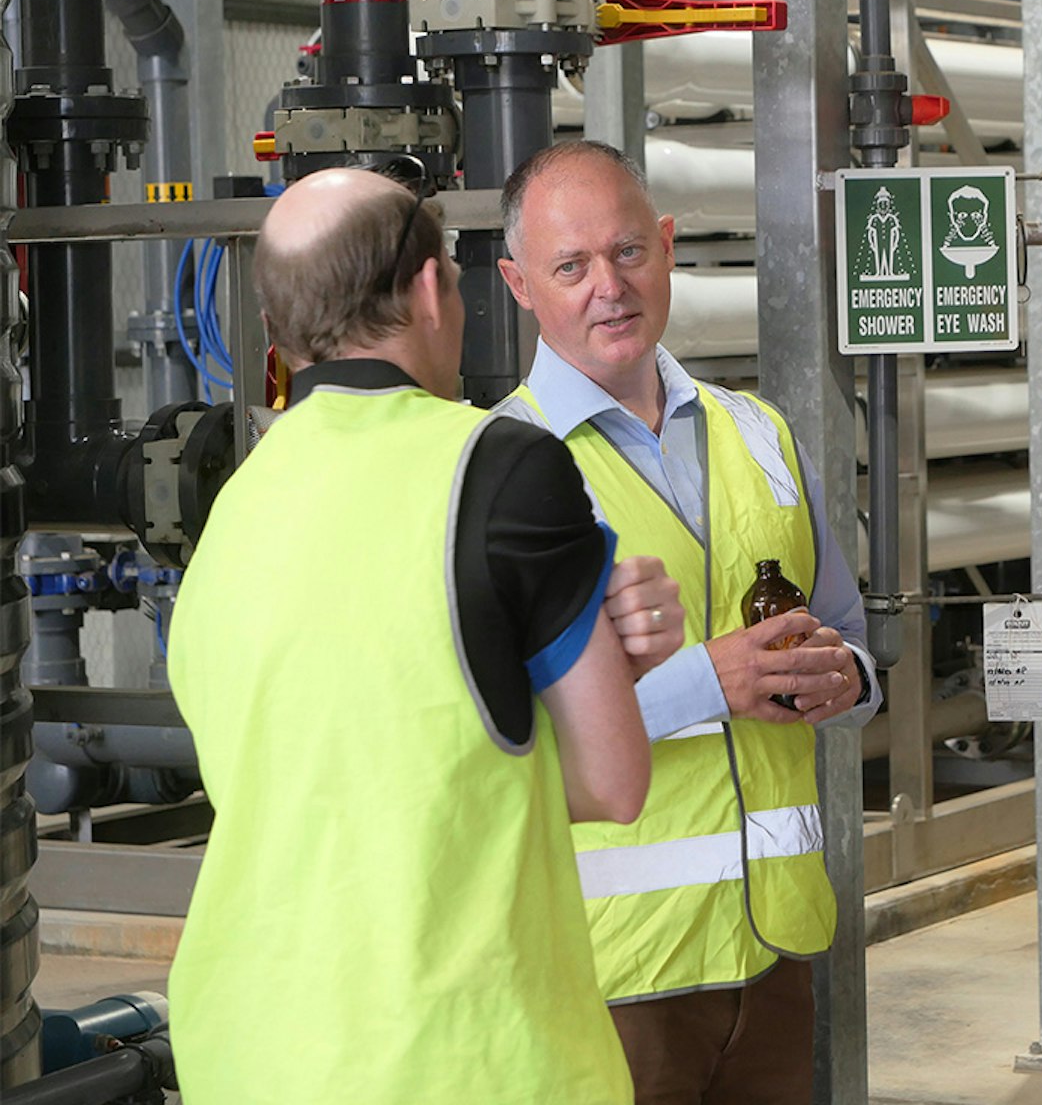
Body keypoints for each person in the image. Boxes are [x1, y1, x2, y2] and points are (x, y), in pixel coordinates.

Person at [166, 165, 687, 1104]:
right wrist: (606, 673)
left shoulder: (233, 508)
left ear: (279, 329)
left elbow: (314, 776)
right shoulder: (501, 467)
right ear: (428, 289)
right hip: (457, 1055)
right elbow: (614, 781)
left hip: (242, 1048)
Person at [495, 139, 881, 1104]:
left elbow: (847, 628)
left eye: (627, 251)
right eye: (570, 266)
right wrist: (708, 682)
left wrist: (853, 678)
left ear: (668, 246)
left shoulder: (761, 433)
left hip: (774, 949)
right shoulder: (495, 467)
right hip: (610, 969)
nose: (608, 288)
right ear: (518, 285)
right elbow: (494, 738)